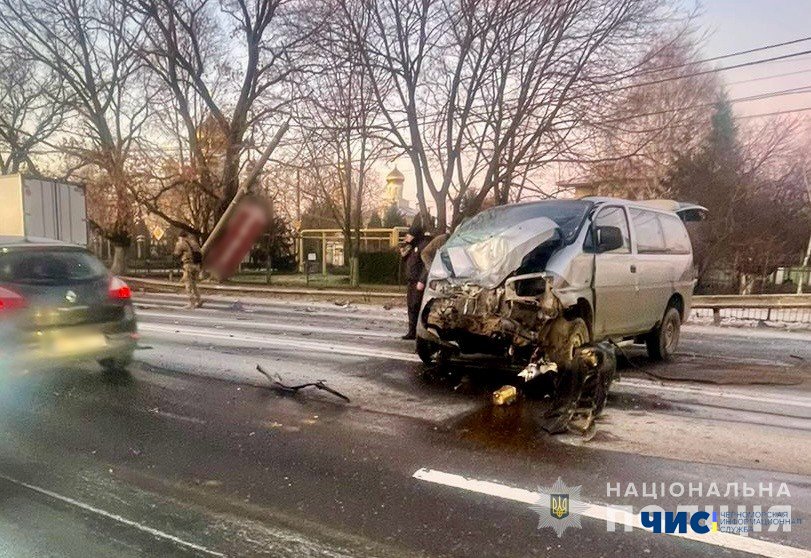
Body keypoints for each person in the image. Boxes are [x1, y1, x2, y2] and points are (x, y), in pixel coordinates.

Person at [399, 221, 431, 340]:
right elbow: (409, 263)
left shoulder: (423, 245)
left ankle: (420, 333)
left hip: (418, 281)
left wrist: (422, 280)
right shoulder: (412, 246)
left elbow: (426, 265)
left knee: (417, 306)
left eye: (410, 235)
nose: (407, 237)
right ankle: (412, 331)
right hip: (411, 280)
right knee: (411, 306)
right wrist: (404, 254)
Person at [173, 231, 203, 309]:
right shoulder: (194, 243)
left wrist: (178, 244)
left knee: (188, 285)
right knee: (194, 284)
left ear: (181, 237)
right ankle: (199, 301)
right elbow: (200, 253)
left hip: (188, 266)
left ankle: (191, 303)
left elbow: (176, 253)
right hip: (196, 266)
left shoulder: (182, 243)